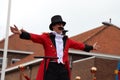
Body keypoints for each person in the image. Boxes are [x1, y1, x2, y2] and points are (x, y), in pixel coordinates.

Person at [10, 15, 97, 80]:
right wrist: (21, 33)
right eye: (59, 24)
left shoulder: (67, 40)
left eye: (62, 25)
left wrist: (91, 47)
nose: (61, 26)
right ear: (53, 27)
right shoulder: (46, 37)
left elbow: (79, 45)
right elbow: (34, 37)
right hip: (51, 67)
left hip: (62, 67)